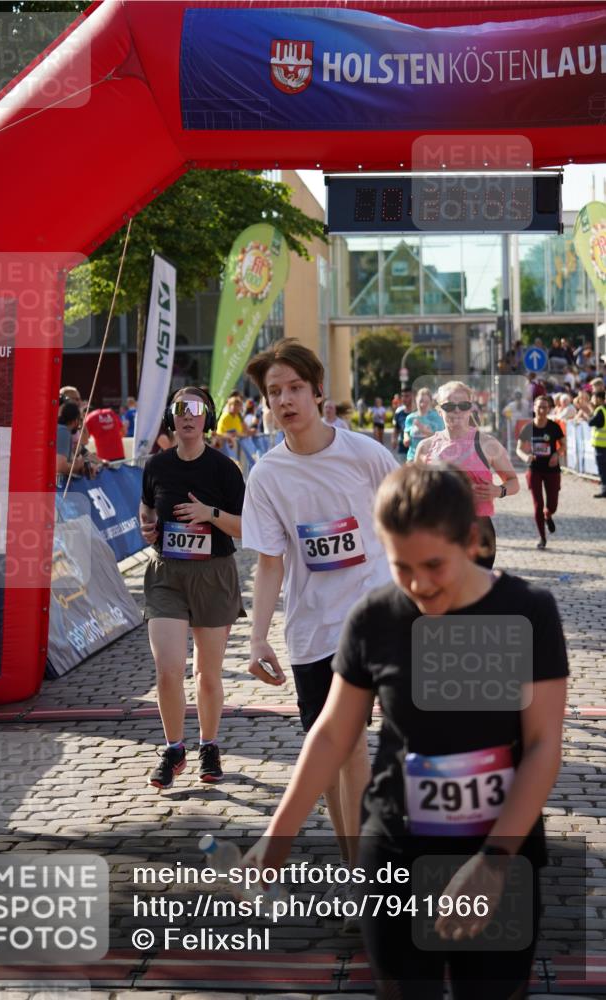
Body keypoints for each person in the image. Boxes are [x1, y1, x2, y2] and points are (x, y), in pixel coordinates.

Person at [246, 463, 568, 1000]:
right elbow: (332, 733)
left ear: (472, 540)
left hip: (499, 851)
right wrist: (279, 833)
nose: (418, 585)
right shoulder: (375, 617)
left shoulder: (527, 611)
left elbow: (542, 746)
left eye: (434, 565)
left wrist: (493, 863)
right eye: (401, 568)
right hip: (396, 851)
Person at [241, 339, 399, 905]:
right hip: (312, 632)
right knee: (336, 756)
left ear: (317, 393)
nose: (285, 400)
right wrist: (258, 636)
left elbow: (404, 517)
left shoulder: (365, 455)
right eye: (273, 392)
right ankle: (360, 874)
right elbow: (268, 560)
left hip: (378, 618)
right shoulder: (266, 476)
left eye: (294, 388)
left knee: (363, 747)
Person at [139, 386, 246, 788]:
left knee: (207, 673)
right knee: (168, 670)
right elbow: (147, 506)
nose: (187, 415)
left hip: (214, 574)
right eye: (179, 408)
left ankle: (209, 744)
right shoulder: (156, 466)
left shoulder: (224, 469)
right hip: (166, 573)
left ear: (207, 418)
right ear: (171, 416)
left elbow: (245, 526)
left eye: (196, 409)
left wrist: (209, 513)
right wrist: (147, 524)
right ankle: (173, 748)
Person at [415, 380, 519, 569]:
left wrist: (498, 491)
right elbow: (414, 491)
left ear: (471, 409)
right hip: (438, 530)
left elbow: (513, 482)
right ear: (439, 410)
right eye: (449, 406)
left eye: (462, 406)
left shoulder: (487, 444)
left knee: (477, 594)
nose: (456, 411)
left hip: (478, 530)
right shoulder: (426, 447)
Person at [516, 396, 566, 549]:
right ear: (534, 408)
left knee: (552, 505)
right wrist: (526, 457)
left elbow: (563, 446)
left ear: (549, 409)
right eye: (539, 407)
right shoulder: (528, 427)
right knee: (538, 504)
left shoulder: (554, 427)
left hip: (552, 469)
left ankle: (548, 514)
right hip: (535, 468)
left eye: (545, 407)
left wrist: (557, 454)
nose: (542, 410)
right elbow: (518, 448)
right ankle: (542, 538)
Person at [403, 387, 444, 461]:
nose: (423, 404)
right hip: (413, 457)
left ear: (431, 402)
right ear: (416, 400)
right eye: (421, 401)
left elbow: (440, 437)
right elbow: (406, 430)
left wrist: (421, 428)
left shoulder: (436, 417)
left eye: (426, 402)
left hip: (430, 458)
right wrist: (406, 438)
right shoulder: (411, 417)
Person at [56, 400, 85, 477]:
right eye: (80, 420)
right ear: (76, 420)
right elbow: (60, 467)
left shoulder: (60, 430)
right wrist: (77, 466)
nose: (80, 424)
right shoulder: (63, 431)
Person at [589, 388, 606, 498]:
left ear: (599, 399)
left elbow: (591, 422)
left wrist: (590, 409)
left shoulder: (600, 410)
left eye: (594, 398)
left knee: (603, 469)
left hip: (601, 446)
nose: (592, 400)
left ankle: (605, 490)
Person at [392, 387, 413, 459]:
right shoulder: (399, 413)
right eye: (402, 396)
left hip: (416, 449)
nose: (404, 398)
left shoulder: (418, 413)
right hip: (402, 448)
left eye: (407, 396)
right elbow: (396, 428)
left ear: (413, 397)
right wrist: (394, 439)